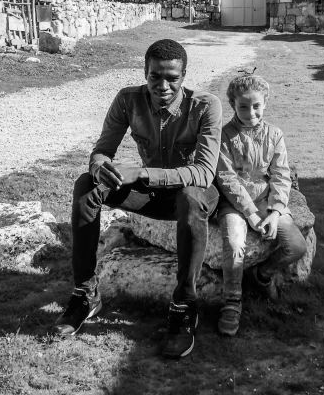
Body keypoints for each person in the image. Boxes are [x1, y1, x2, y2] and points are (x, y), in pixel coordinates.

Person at [54, 39, 222, 359]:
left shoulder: (205, 105)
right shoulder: (127, 100)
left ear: (184, 76)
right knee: (85, 186)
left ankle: (185, 304)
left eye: (172, 78)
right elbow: (102, 151)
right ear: (145, 72)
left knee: (189, 197)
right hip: (155, 198)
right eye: (155, 76)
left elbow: (203, 173)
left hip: (196, 196)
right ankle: (86, 293)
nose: (163, 85)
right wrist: (101, 168)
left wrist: (142, 175)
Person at [215, 74, 307, 336]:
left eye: (256, 106)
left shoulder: (275, 135)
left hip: (268, 200)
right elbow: (227, 178)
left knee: (296, 246)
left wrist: (276, 212)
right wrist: (251, 214)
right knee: (234, 244)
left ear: (265, 103)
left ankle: (262, 275)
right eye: (243, 106)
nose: (251, 112)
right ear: (233, 105)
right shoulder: (224, 136)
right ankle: (232, 301)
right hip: (235, 203)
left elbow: (281, 174)